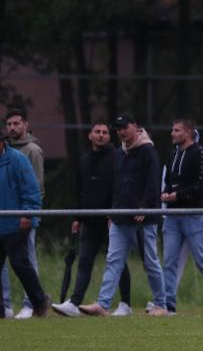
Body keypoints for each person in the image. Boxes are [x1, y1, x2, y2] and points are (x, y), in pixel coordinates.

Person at [79, 114, 168, 317]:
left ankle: (161, 305)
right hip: (120, 217)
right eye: (118, 128)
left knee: (150, 261)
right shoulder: (120, 153)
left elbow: (153, 183)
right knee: (113, 260)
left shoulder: (148, 151)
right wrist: (113, 211)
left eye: (124, 127)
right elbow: (118, 185)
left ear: (135, 127)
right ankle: (103, 303)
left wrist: (144, 209)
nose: (121, 131)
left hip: (143, 219)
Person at [51, 122, 132, 317]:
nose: (101, 135)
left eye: (105, 132)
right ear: (90, 135)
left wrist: (114, 213)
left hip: (111, 221)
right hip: (89, 222)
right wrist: (77, 217)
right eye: (97, 132)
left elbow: (119, 188)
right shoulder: (84, 160)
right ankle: (74, 302)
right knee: (84, 261)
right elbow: (80, 190)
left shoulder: (117, 158)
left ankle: (125, 304)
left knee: (117, 261)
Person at [160, 119, 203, 315]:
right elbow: (169, 181)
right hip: (173, 216)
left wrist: (179, 195)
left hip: (196, 215)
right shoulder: (173, 155)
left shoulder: (201, 155)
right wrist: (166, 194)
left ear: (188, 133)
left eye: (177, 130)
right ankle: (169, 304)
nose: (172, 133)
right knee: (170, 260)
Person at [0, 128, 49, 318]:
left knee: (19, 263)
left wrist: (28, 215)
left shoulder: (18, 160)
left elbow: (31, 190)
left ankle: (39, 301)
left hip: (16, 224)